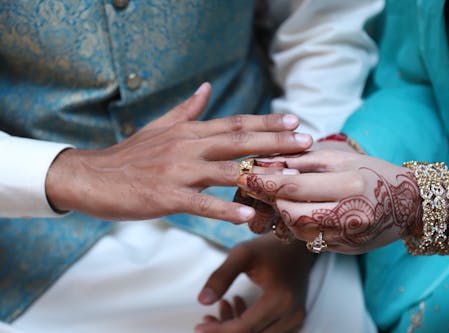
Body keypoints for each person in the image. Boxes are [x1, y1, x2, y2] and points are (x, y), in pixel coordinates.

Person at [0, 0, 383, 332]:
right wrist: (67, 172)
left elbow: (325, 31)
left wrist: (293, 212)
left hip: (253, 220)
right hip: (23, 231)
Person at [198, 0, 449, 332]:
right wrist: (342, 154)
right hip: (429, 241)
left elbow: (410, 202)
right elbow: (420, 80)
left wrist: (420, 204)